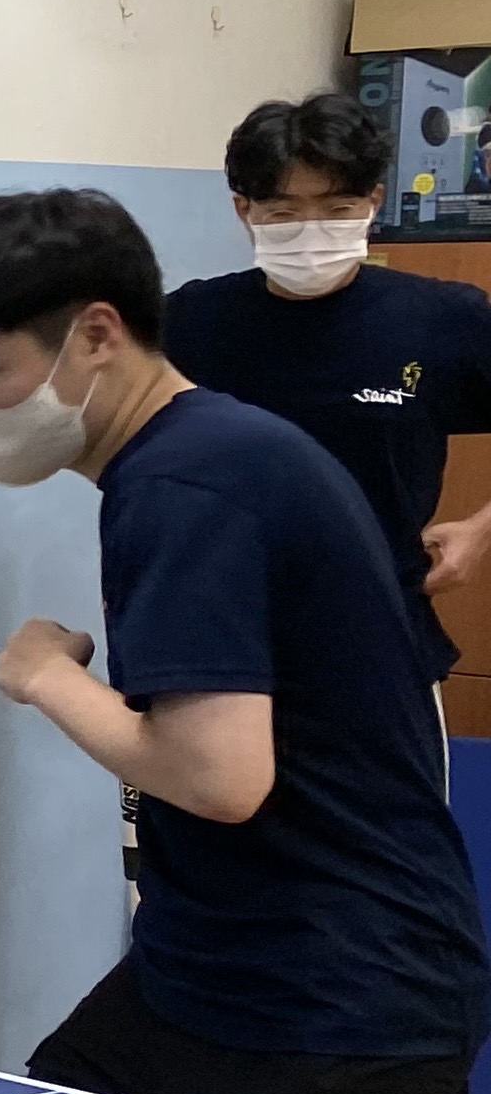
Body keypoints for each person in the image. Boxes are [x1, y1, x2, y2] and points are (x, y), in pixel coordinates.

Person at [0, 186, 487, 1094]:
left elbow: (219, 777)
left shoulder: (187, 483)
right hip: (211, 966)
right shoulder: (203, 453)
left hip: (336, 1002)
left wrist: (46, 677)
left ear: (97, 335)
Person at [163, 85, 491, 691]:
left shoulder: (443, 319)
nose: (311, 231)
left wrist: (482, 529)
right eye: (283, 214)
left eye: (337, 209)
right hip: (218, 630)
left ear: (373, 202)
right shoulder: (191, 321)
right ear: (244, 211)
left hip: (379, 631)